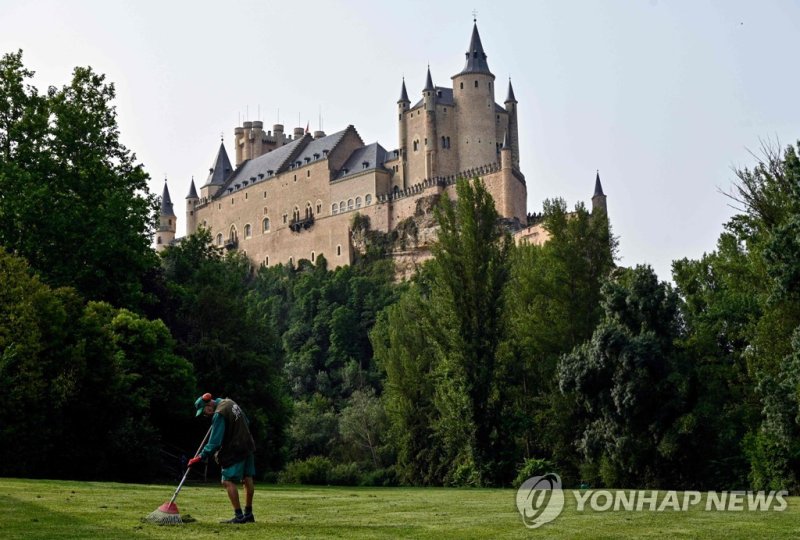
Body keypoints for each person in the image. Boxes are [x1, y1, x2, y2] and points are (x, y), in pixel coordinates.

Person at [188, 393, 257, 524]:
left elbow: (215, 443)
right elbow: (246, 421)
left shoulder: (219, 413)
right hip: (248, 444)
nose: (205, 415)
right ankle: (248, 514)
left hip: (236, 448)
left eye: (204, 412)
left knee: (226, 480)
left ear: (208, 405)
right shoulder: (230, 402)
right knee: (247, 478)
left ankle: (239, 516)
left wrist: (200, 456)